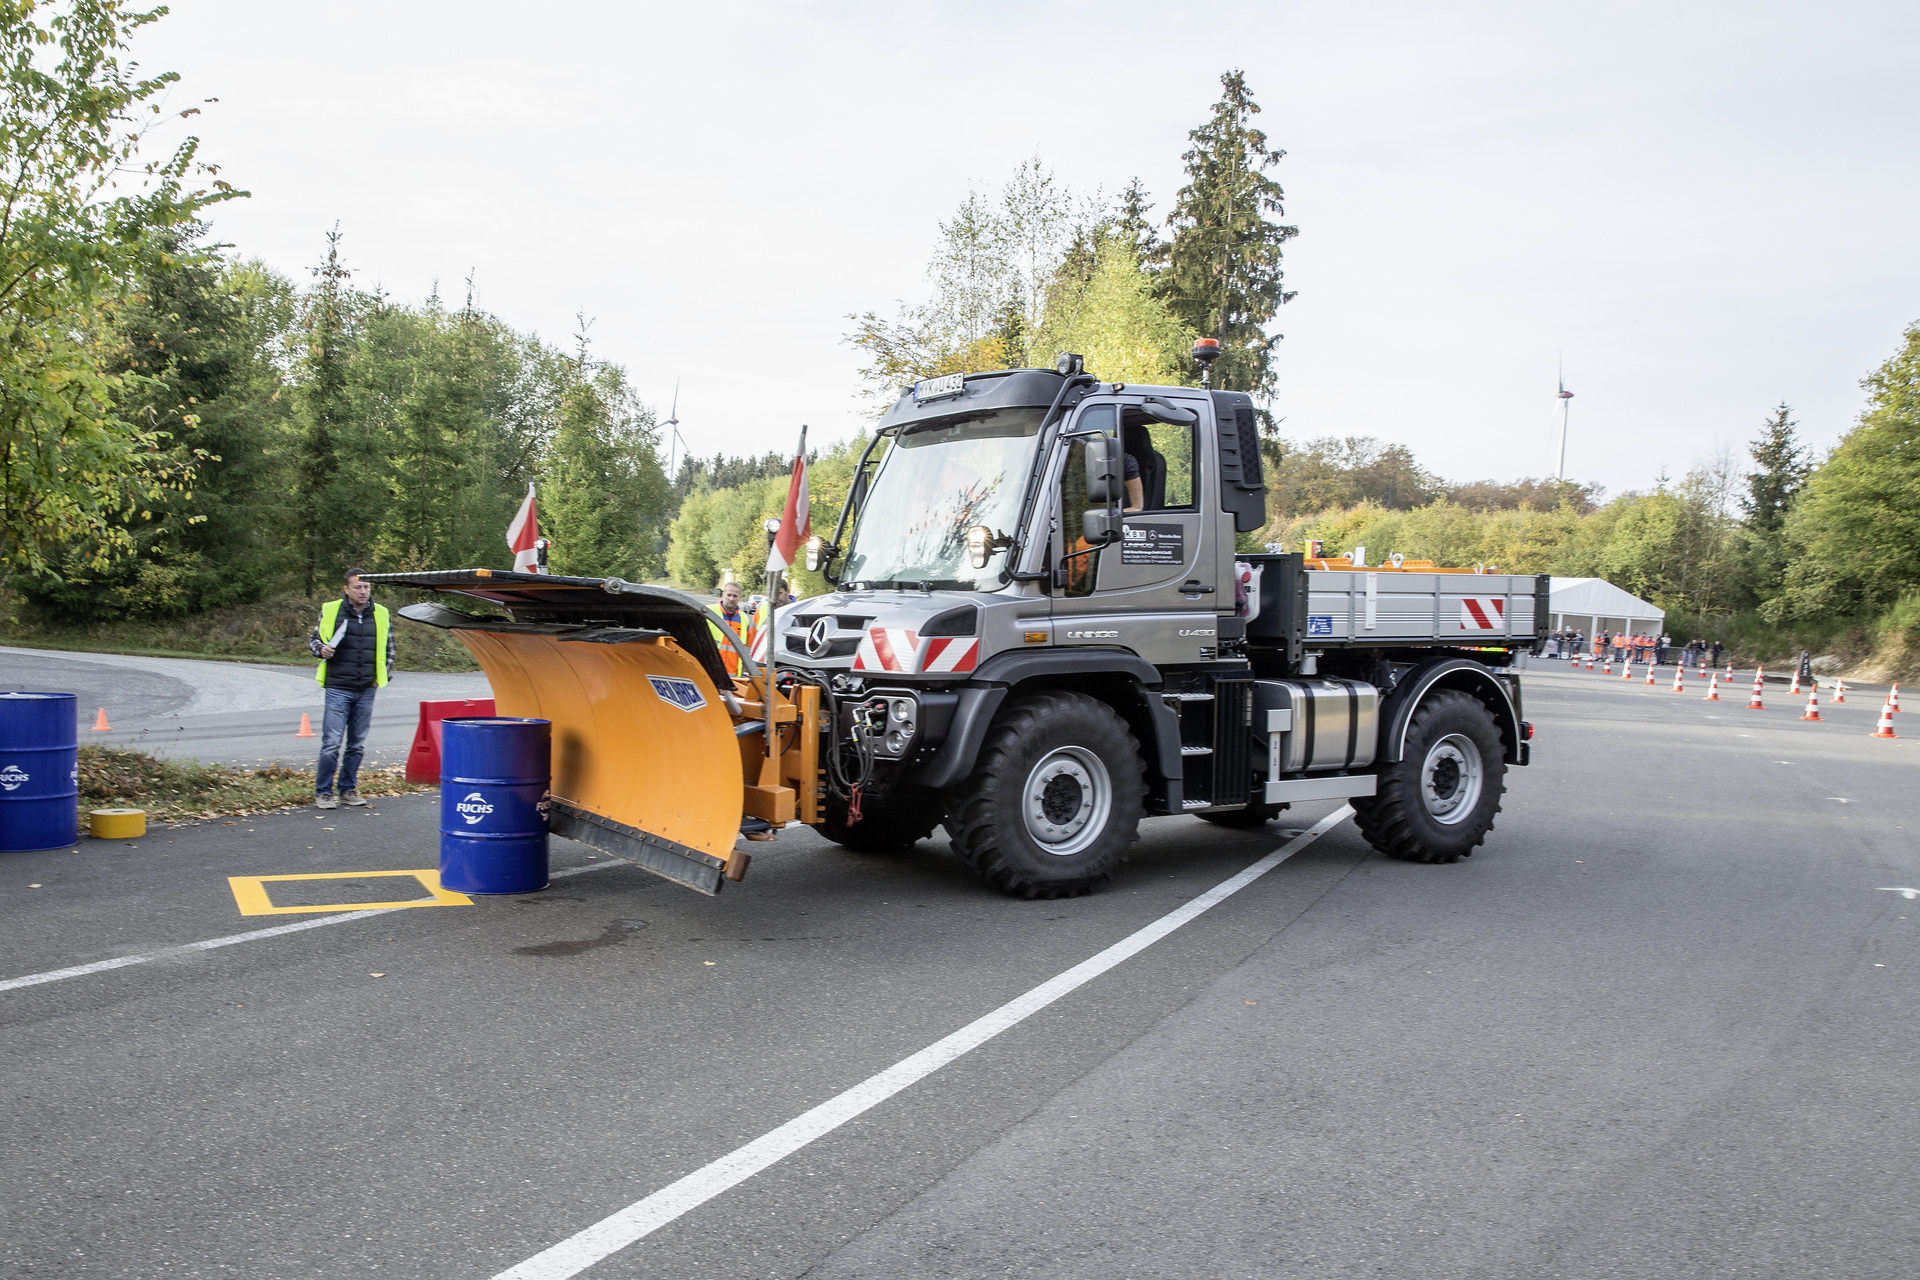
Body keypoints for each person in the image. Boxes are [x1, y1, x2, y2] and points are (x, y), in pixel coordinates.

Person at [308, 568, 395, 810]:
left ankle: (347, 790)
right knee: (332, 743)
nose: (363, 591)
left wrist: (383, 674)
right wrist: (321, 650)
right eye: (357, 587)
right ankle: (324, 793)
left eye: (366, 587)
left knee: (356, 744)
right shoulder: (331, 610)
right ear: (346, 589)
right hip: (338, 686)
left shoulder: (381, 614)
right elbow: (314, 639)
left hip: (366, 688)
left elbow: (390, 647)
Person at [708, 578, 753, 676]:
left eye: (735, 596)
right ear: (723, 594)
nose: (731, 598)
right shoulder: (708, 612)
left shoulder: (744, 618)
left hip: (733, 675)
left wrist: (745, 671)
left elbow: (746, 649)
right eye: (729, 595)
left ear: (740, 597)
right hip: (710, 672)